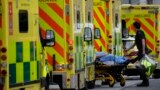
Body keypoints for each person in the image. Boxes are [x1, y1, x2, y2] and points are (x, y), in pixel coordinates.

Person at [124, 21, 149, 87]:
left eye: (133, 26)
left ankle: (145, 82)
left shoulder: (139, 32)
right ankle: (145, 82)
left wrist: (143, 51)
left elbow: (143, 41)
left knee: (140, 67)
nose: (132, 27)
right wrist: (128, 49)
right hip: (140, 52)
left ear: (134, 26)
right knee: (138, 64)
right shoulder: (138, 33)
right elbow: (135, 43)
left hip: (142, 52)